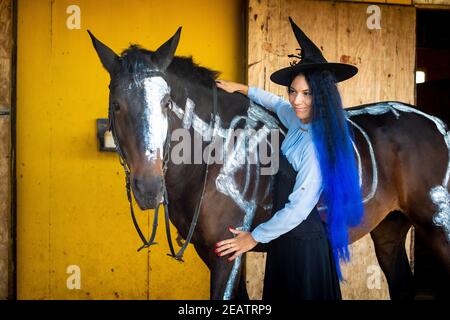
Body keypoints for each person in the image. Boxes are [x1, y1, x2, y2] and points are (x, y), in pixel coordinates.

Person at [214, 17, 364, 300]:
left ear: (322, 96)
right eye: (294, 91)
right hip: (286, 241)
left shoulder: (315, 144)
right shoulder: (297, 119)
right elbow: (277, 104)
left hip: (304, 249)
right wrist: (243, 89)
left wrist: (252, 238)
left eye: (307, 94)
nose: (297, 100)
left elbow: (297, 209)